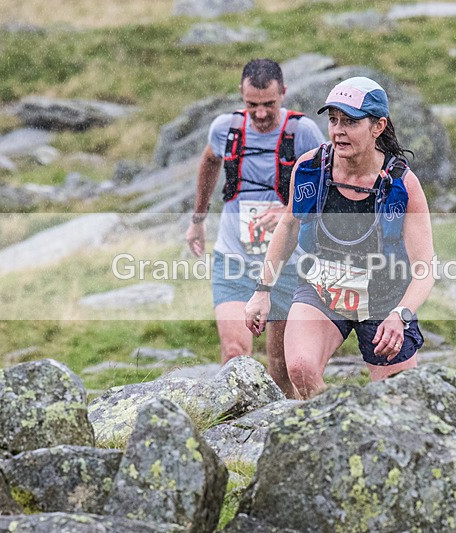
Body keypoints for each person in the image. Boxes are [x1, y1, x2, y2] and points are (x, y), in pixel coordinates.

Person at [244, 76, 435, 399]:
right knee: (301, 370)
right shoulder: (311, 168)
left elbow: (425, 267)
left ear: (378, 126)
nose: (337, 130)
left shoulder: (402, 184)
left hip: (384, 301)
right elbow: (289, 227)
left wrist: (400, 315)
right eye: (333, 120)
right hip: (323, 291)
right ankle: (333, 431)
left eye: (350, 122)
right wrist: (262, 290)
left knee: (400, 404)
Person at [186, 58, 325, 397]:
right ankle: (227, 437)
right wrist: (198, 220)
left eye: (269, 105)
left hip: (287, 266)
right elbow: (209, 161)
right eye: (252, 105)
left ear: (284, 94)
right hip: (234, 257)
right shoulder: (225, 129)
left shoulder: (303, 131)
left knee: (281, 367)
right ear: (241, 96)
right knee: (235, 354)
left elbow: (328, 185)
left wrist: (290, 211)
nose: (261, 114)